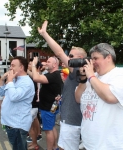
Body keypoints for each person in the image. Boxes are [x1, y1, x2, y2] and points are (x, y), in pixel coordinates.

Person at [38, 21, 87, 150]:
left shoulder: (77, 70)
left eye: (71, 55)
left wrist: (45, 34)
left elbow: (59, 53)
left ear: (80, 57)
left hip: (72, 121)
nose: (67, 57)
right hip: (73, 119)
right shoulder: (81, 72)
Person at [75, 43, 123, 149]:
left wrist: (91, 76)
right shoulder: (92, 76)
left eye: (96, 58)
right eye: (91, 59)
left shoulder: (119, 74)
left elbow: (110, 97)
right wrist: (83, 78)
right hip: (89, 143)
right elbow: (78, 99)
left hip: (109, 145)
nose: (92, 62)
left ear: (109, 57)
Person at [0, 56, 35, 150]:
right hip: (11, 124)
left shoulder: (26, 82)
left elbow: (14, 97)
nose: (10, 68)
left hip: (17, 125)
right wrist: (2, 80)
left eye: (13, 65)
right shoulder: (15, 80)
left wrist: (9, 81)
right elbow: (2, 93)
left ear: (21, 67)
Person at [31, 56, 63, 150]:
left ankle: (50, 148)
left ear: (54, 64)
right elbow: (35, 76)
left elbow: (36, 78)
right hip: (51, 106)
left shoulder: (52, 75)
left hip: (48, 107)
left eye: (49, 62)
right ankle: (54, 147)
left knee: (48, 130)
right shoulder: (54, 74)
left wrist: (33, 64)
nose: (46, 63)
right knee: (52, 128)